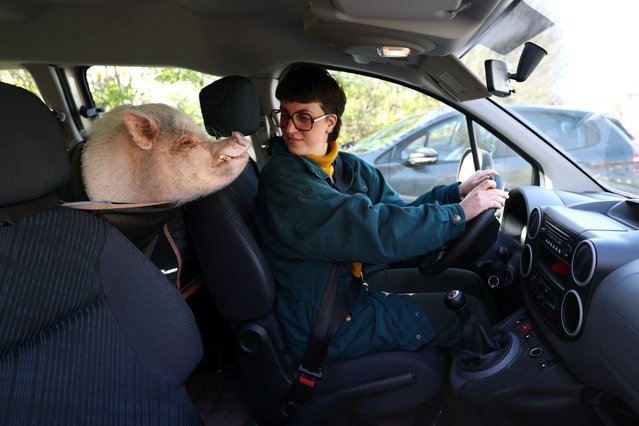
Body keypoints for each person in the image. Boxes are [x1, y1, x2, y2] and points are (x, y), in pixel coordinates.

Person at [254, 64, 509, 364]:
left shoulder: (349, 168)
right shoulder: (284, 180)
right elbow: (370, 227)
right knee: (471, 313)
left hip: (352, 288)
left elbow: (399, 213)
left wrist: (455, 195)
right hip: (325, 318)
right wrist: (456, 216)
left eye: (303, 118)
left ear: (329, 122)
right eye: (284, 115)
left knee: (468, 283)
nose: (289, 127)